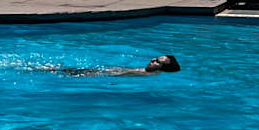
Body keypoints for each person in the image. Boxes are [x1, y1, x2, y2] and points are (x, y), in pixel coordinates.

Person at [43, 54, 181, 76]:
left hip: (101, 75)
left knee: (65, 72)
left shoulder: (150, 74)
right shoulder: (149, 72)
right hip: (104, 72)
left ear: (161, 68)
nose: (152, 59)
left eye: (157, 61)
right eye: (155, 58)